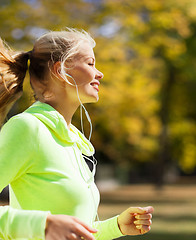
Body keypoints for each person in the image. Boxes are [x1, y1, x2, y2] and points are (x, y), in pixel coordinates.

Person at [0, 28, 153, 240]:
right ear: (60, 71)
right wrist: (40, 225)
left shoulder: (71, 138)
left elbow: (71, 229)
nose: (99, 73)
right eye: (90, 63)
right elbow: (49, 227)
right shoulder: (27, 128)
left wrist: (116, 226)